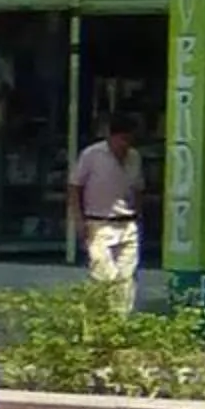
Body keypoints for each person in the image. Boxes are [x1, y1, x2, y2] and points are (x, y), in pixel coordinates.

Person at [69, 115, 144, 310]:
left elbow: (137, 189)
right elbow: (75, 186)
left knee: (126, 278)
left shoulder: (134, 157)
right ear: (111, 136)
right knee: (104, 275)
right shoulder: (92, 155)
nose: (125, 145)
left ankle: (120, 320)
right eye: (122, 139)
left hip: (127, 223)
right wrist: (78, 219)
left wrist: (138, 215)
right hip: (99, 222)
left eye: (129, 140)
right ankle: (96, 318)